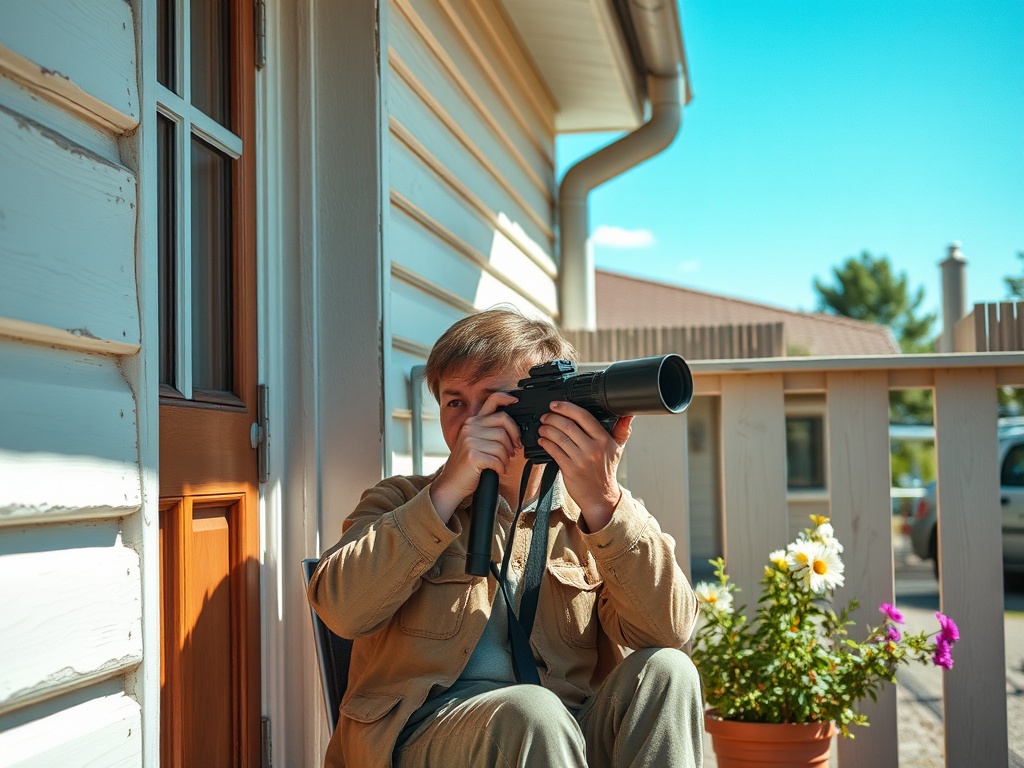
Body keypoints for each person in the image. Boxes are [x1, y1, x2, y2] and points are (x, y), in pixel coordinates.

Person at [308, 307, 704, 768]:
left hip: (560, 738)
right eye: (455, 402)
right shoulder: (401, 500)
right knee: (532, 713)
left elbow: (668, 631)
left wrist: (604, 501)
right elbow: (341, 610)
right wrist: (447, 491)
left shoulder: (593, 514)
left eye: (495, 400)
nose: (473, 421)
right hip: (425, 739)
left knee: (668, 672)